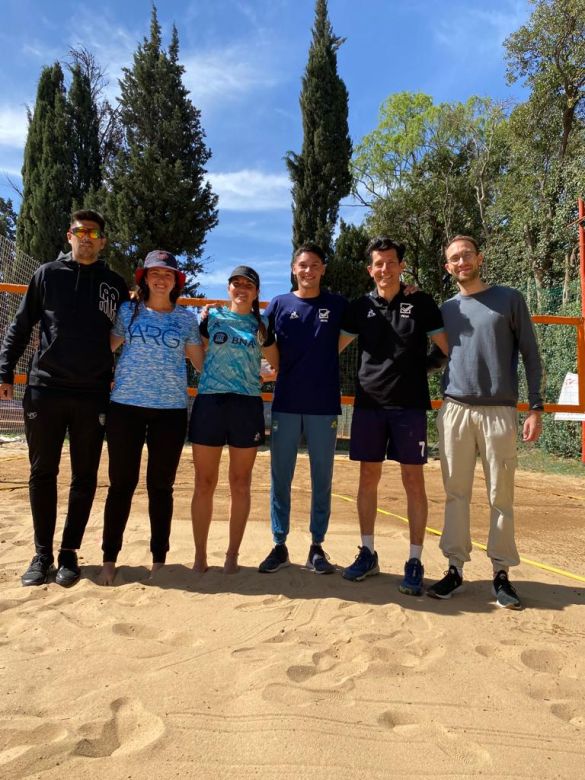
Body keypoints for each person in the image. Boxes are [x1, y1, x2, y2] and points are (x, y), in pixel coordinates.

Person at [0, 210, 128, 587]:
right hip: (46, 389)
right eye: (79, 231)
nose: (85, 237)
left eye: (93, 232)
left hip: (92, 393)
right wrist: (4, 370)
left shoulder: (114, 284)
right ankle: (41, 554)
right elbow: (21, 325)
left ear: (102, 241)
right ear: (69, 236)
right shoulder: (47, 275)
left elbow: (135, 325)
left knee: (85, 476)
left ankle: (69, 552)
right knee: (42, 472)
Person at [427, 235, 543, 609]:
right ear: (447, 268)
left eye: (466, 255)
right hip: (455, 409)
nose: (461, 262)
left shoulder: (509, 299)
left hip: (499, 410)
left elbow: (530, 353)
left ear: (479, 258)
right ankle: (455, 567)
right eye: (453, 259)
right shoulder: (445, 310)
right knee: (455, 492)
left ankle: (501, 573)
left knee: (500, 496)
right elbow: (433, 358)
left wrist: (535, 407)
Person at [338, 237, 447, 595]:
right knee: (367, 479)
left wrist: (423, 369)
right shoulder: (359, 307)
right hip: (369, 405)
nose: (384, 269)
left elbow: (446, 348)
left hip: (410, 406)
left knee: (413, 481)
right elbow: (331, 347)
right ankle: (368, 552)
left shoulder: (421, 302)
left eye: (390, 262)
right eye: (377, 264)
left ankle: (414, 559)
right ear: (370, 270)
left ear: (401, 266)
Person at [98, 251, 203, 585]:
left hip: (170, 412)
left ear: (175, 282)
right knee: (121, 486)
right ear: (143, 278)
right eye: (155, 273)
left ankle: (159, 560)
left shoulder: (186, 320)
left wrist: (251, 369)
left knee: (161, 488)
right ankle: (109, 559)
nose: (161, 279)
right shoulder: (127, 312)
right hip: (125, 408)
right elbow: (105, 349)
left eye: (168, 275)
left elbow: (202, 365)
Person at [258, 244, 348, 574]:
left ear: (323, 269)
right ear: (293, 269)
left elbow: (372, 313)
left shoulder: (338, 305)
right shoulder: (280, 304)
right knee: (280, 476)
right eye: (302, 265)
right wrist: (266, 369)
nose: (308, 271)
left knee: (321, 478)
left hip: (323, 405)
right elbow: (261, 338)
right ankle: (279, 545)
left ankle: (316, 547)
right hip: (286, 404)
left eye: (314, 265)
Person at [189, 266, 277, 574]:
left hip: (246, 405)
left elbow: (277, 364)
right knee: (204, 483)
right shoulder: (211, 317)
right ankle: (200, 556)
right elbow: (195, 352)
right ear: (228, 288)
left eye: (248, 285)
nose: (241, 288)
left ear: (255, 292)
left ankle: (232, 556)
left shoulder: (262, 323)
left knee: (240, 484)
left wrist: (263, 375)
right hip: (211, 402)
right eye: (236, 283)